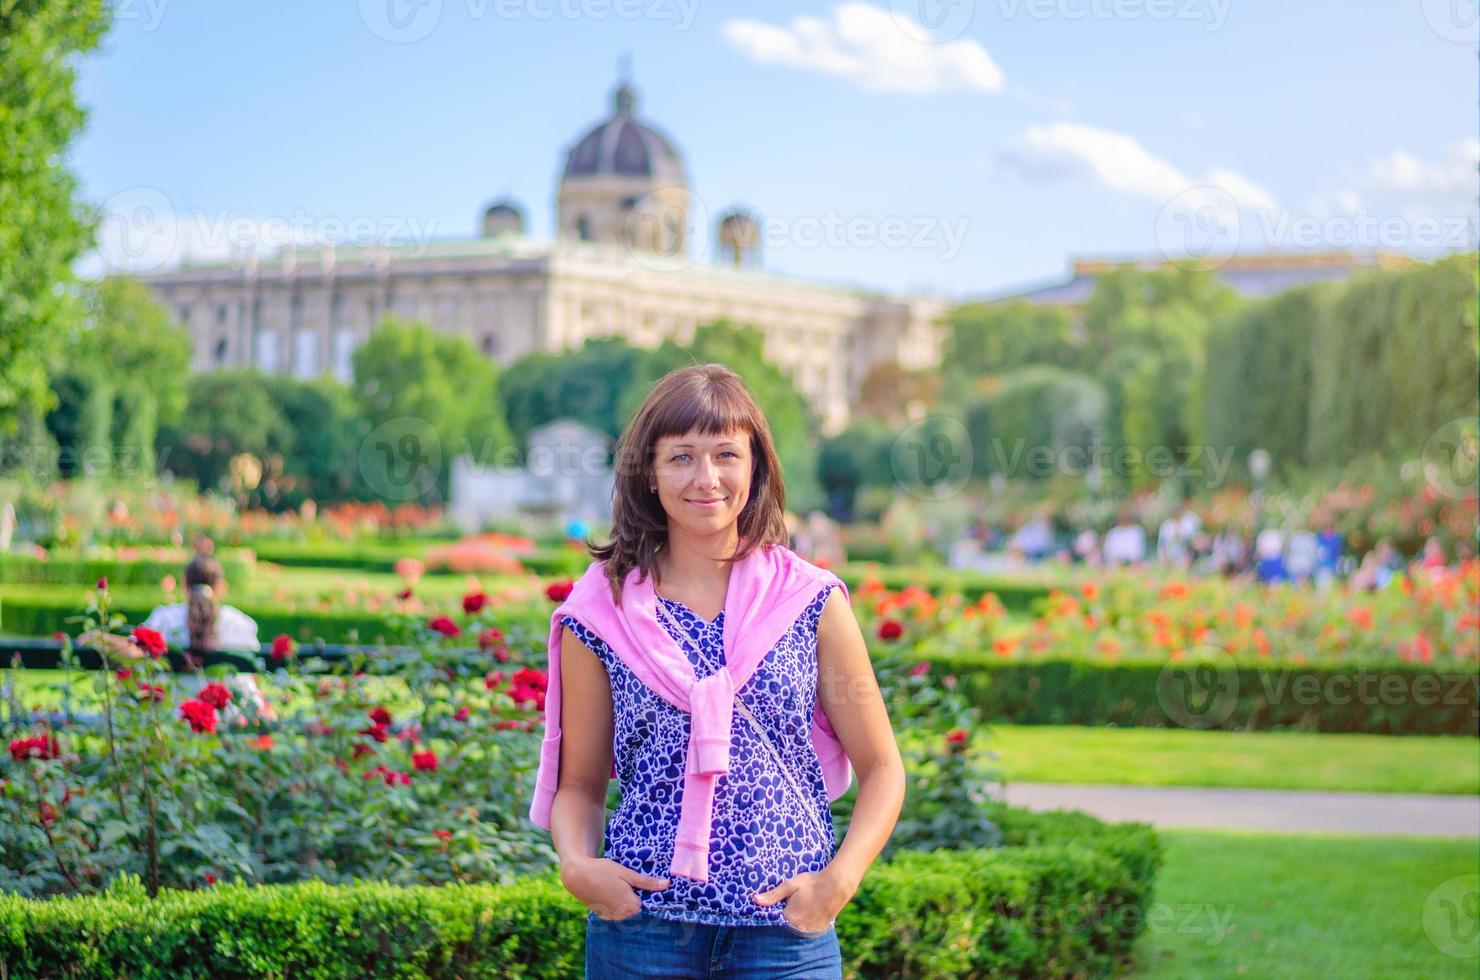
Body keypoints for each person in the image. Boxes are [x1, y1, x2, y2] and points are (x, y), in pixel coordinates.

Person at [542, 363, 904, 979]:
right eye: (680, 457)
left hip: (786, 941)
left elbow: (882, 767)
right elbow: (578, 786)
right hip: (643, 935)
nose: (706, 478)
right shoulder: (598, 615)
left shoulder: (812, 601)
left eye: (725, 454)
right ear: (649, 474)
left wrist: (837, 883)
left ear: (755, 466)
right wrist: (578, 864)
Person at [140, 550, 275, 721]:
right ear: (220, 587)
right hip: (232, 720)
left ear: (184, 586)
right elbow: (254, 677)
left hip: (173, 719)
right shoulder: (241, 624)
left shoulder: (162, 620)